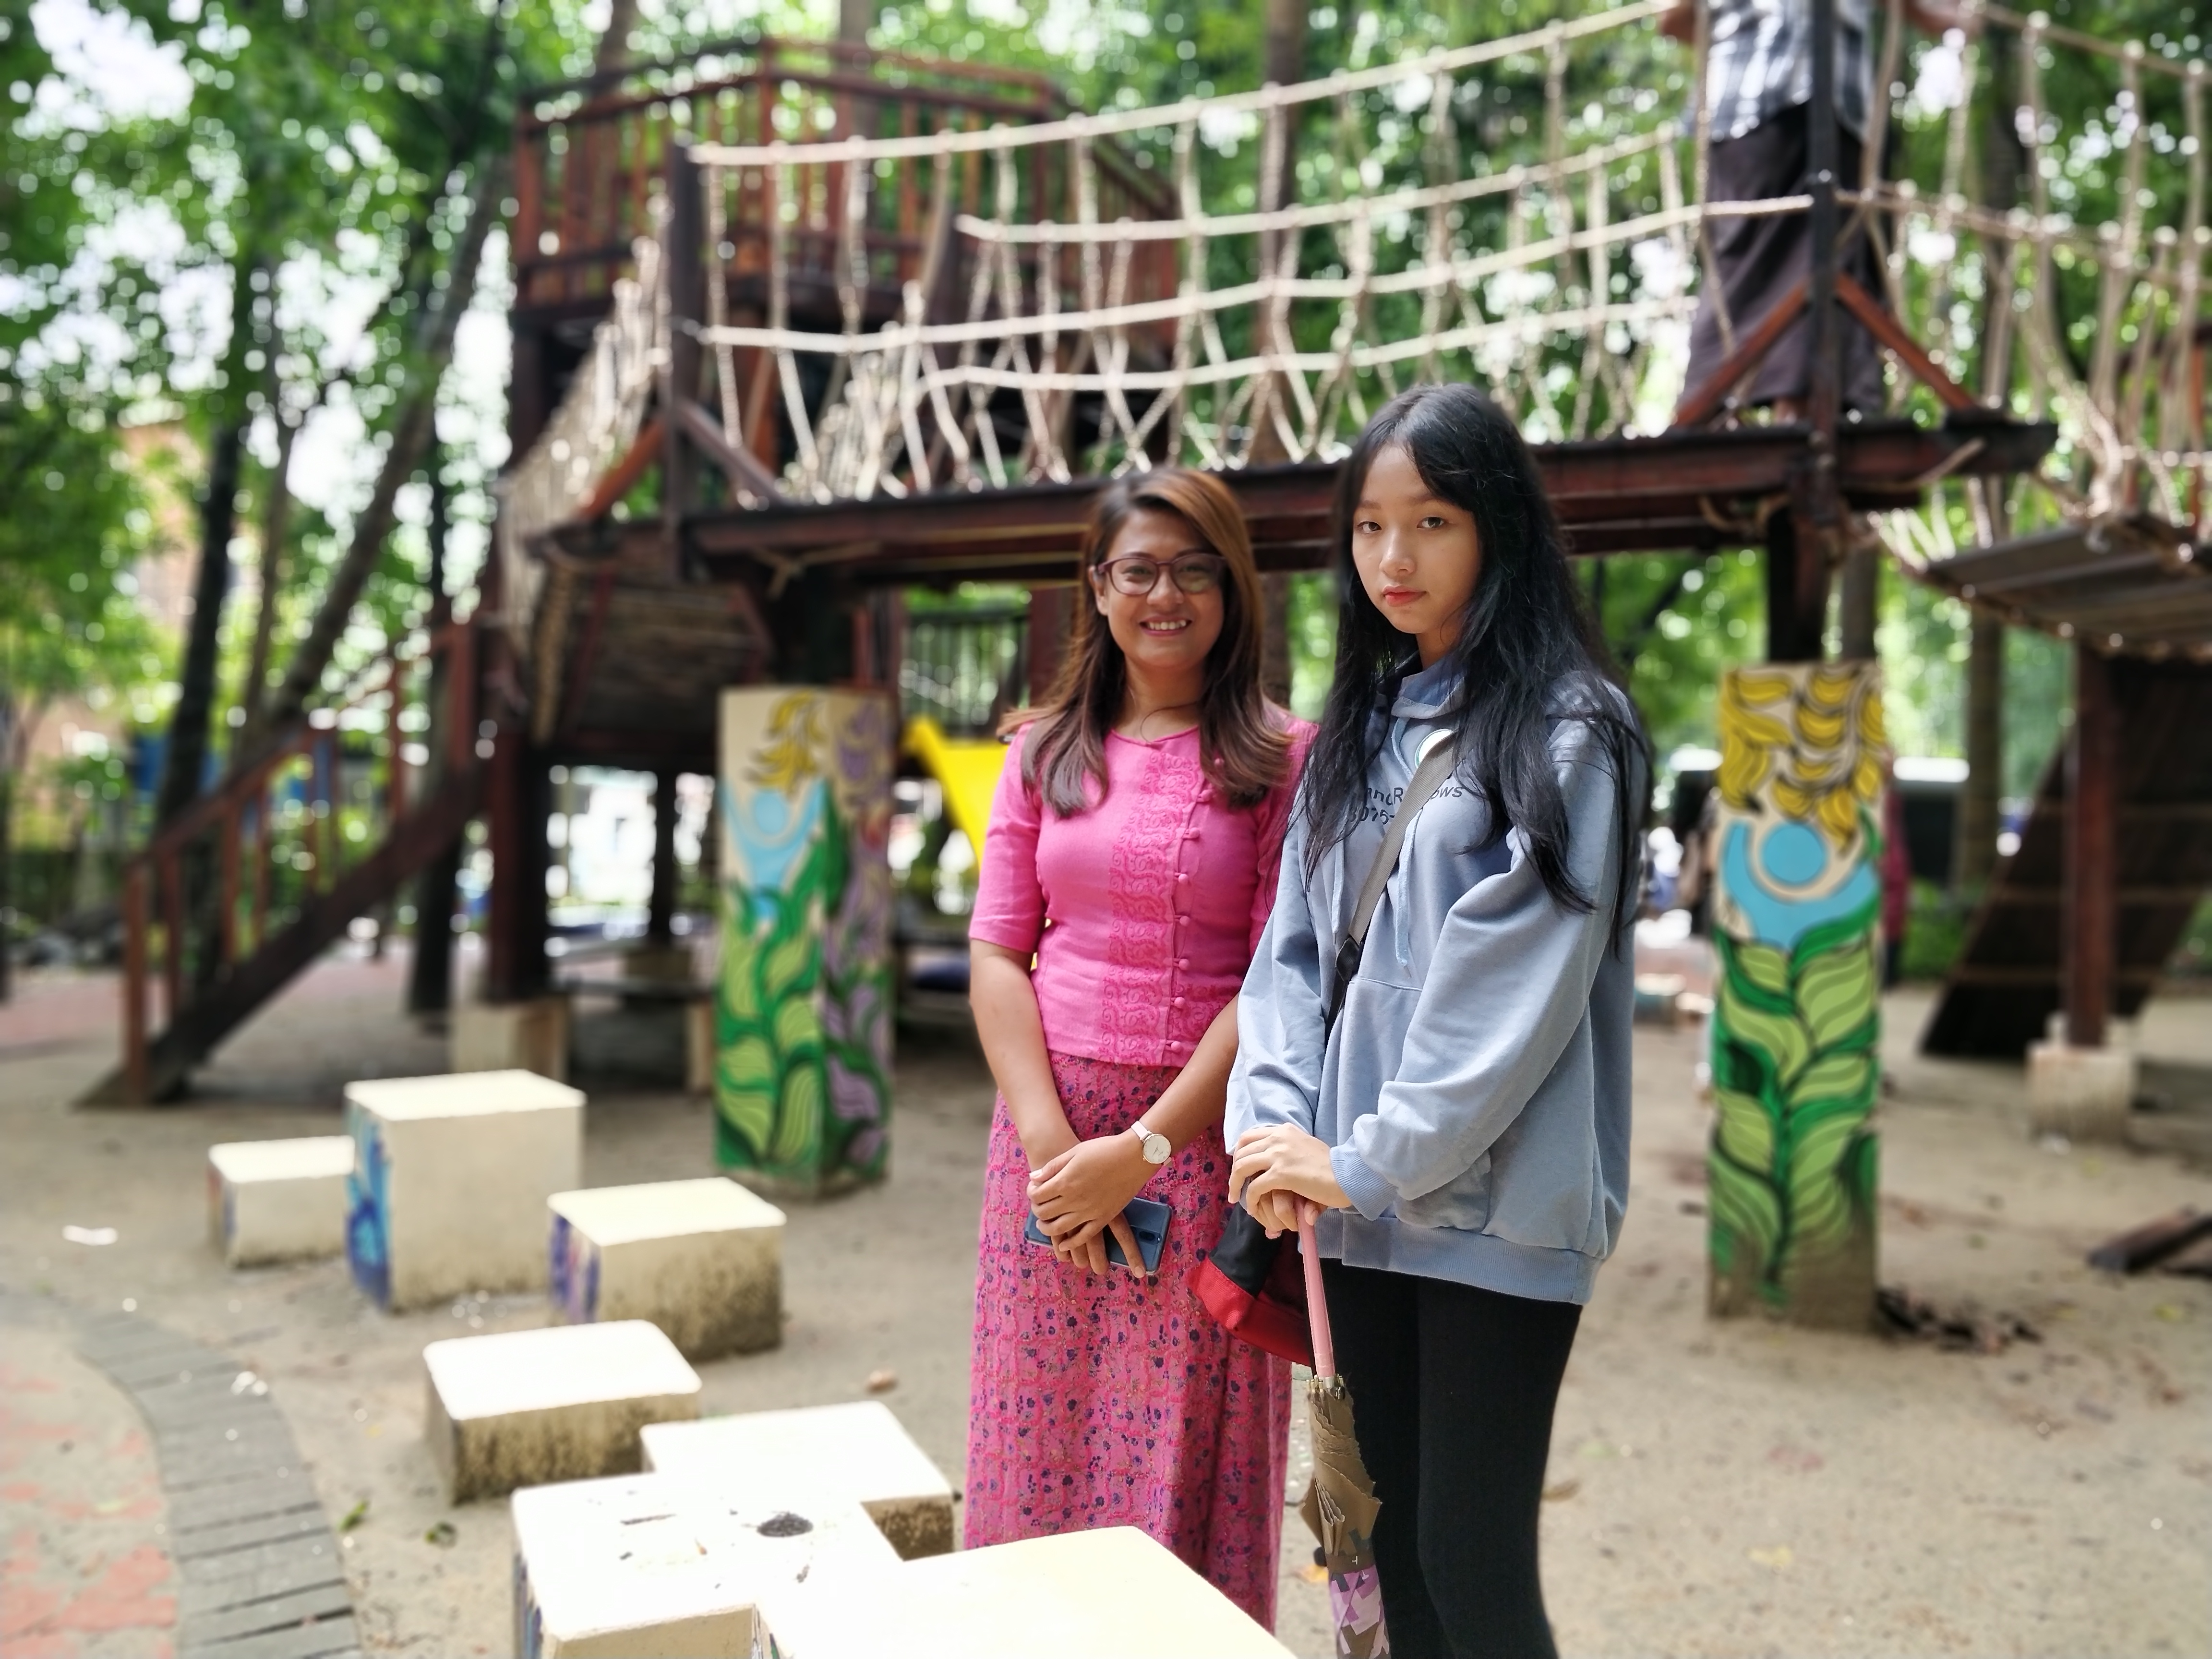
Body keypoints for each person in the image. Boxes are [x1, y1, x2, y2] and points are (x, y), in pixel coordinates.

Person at [1226, 385, 1650, 1659]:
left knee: (1470, 1561)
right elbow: (1293, 960)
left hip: (1495, 1219)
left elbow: (1510, 994)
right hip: (1350, 1217)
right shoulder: (1359, 729)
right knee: (1388, 1554)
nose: (1393, 560)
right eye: (1368, 527)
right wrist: (1272, 1133)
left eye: (1433, 522)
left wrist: (1362, 1160)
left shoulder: (1576, 730)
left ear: (1499, 533)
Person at [964, 466, 1313, 1626]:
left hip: (1205, 1147)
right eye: (1138, 569)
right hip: (1046, 1146)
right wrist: (1057, 1140)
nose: (1166, 593)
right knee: (1035, 1429)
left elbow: (1274, 978)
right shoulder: (1041, 749)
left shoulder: (1281, 756)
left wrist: (1148, 1146)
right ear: (1098, 588)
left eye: (1194, 568)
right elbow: (999, 950)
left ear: (1232, 587)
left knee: (1184, 1445)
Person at [1666, 0, 1967, 421]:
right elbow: (1673, 18)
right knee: (1805, 256)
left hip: (1776, 104)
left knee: (1784, 261)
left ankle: (1744, 410)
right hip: (1777, 100)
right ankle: (1737, 409)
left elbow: (1672, 18)